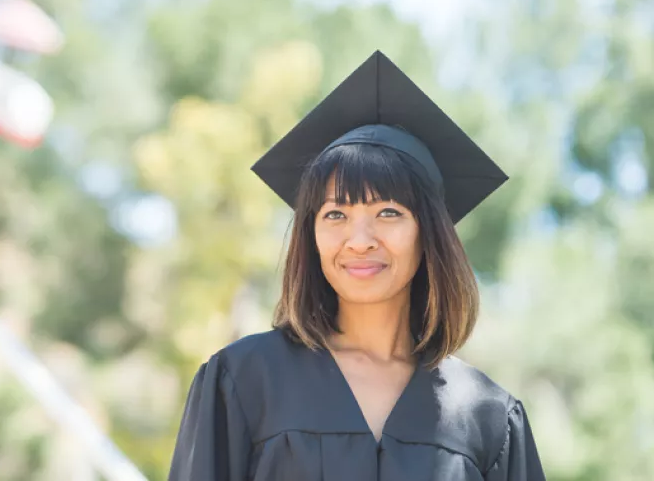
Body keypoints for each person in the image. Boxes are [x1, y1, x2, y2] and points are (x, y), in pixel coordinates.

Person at [168, 51, 545, 481]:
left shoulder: (488, 417)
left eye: (388, 213)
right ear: (309, 234)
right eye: (335, 215)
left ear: (430, 232)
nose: (360, 241)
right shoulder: (243, 382)